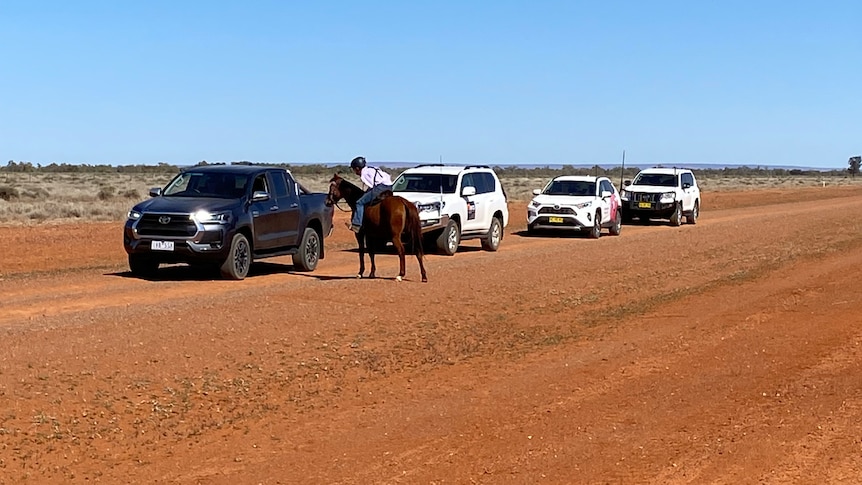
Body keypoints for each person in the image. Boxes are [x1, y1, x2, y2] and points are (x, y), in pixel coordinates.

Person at [348, 156, 393, 233]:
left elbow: (372, 186)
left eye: (354, 169)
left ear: (358, 168)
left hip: (380, 188)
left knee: (359, 203)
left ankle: (356, 225)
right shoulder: (372, 168)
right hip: (389, 187)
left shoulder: (364, 173)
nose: (355, 172)